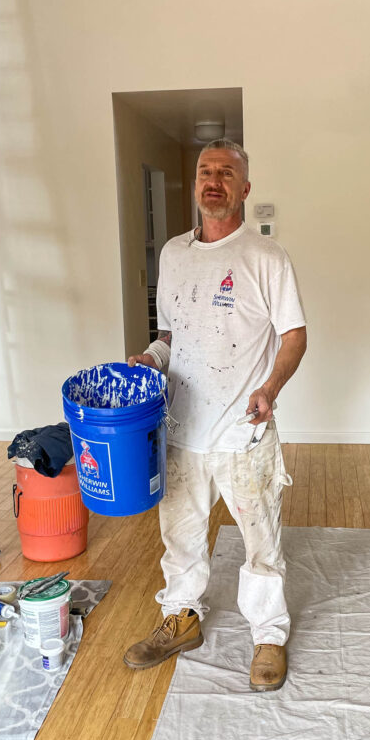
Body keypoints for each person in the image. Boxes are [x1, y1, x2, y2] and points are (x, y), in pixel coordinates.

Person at [124, 139, 307, 691]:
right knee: (179, 534)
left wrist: (271, 387)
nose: (214, 180)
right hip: (180, 427)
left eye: (227, 173)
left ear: (244, 190)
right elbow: (169, 336)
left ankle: (269, 635)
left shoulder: (266, 258)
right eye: (206, 171)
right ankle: (181, 618)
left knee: (260, 539)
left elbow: (294, 336)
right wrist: (149, 359)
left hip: (243, 432)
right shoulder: (173, 255)